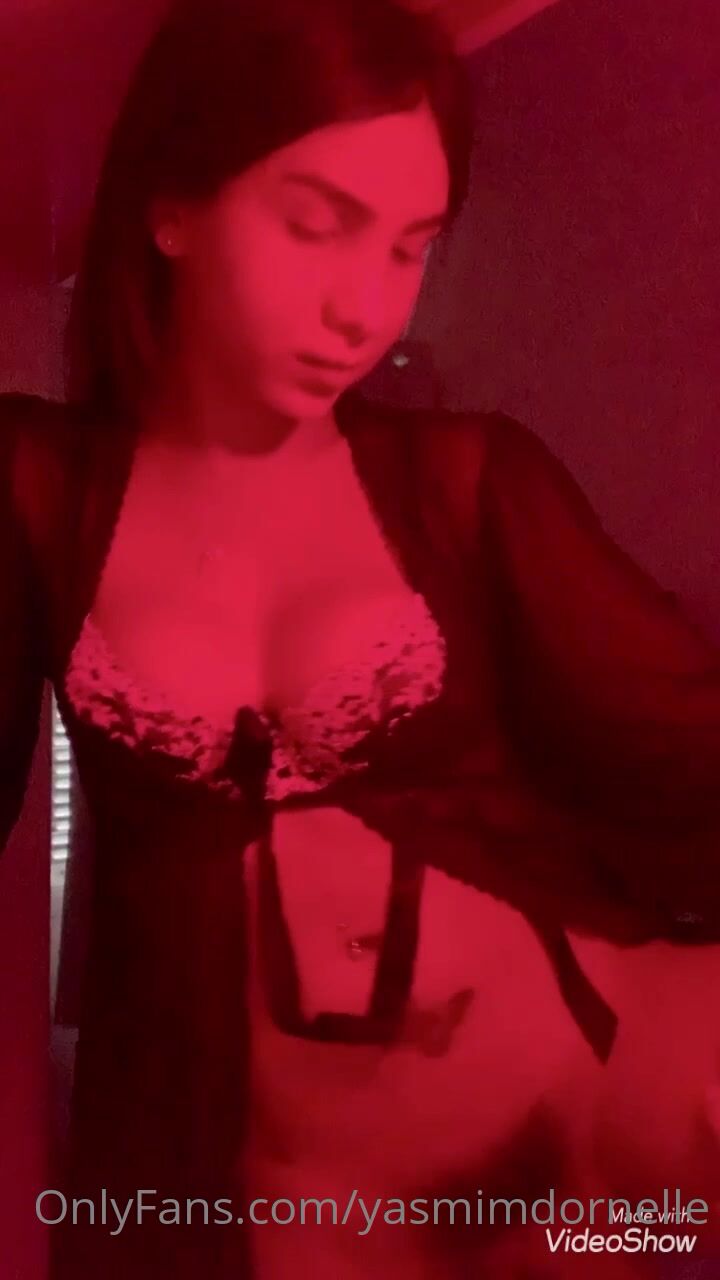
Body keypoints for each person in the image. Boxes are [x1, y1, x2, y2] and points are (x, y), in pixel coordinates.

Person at [1, 0, 719, 1275]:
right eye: (316, 223)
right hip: (241, 1193)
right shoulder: (41, 492)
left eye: (409, 247)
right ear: (171, 209)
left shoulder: (468, 484)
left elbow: (687, 756)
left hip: (563, 1152)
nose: (364, 308)